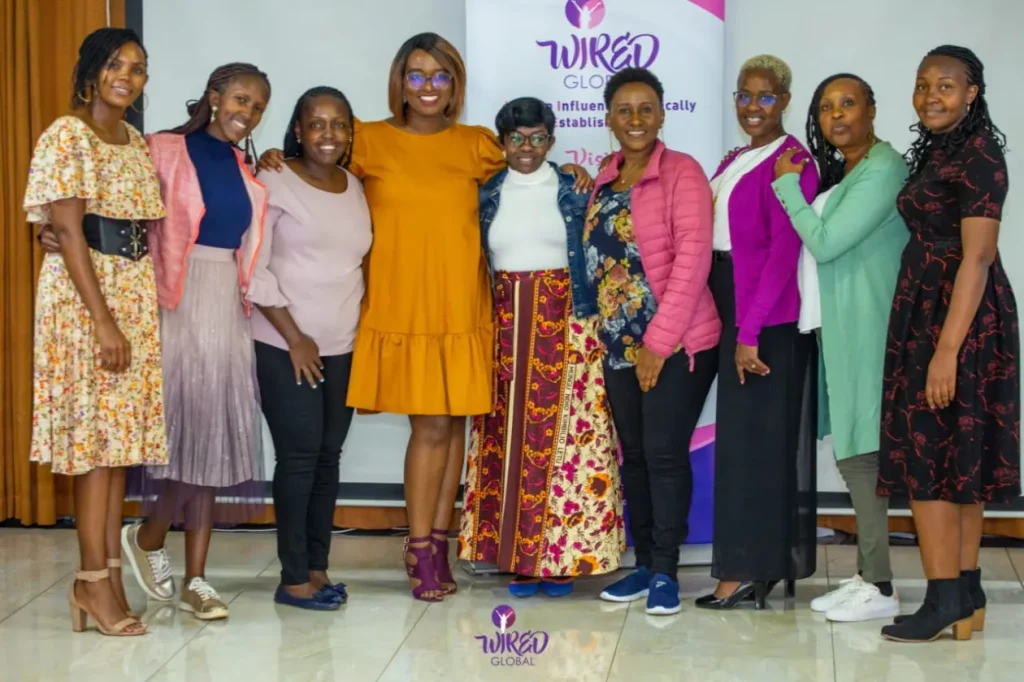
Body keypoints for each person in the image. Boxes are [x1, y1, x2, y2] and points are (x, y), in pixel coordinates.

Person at [258, 33, 591, 601]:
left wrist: (574, 177)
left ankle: (438, 541)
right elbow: (319, 165)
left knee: (454, 423)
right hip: (401, 306)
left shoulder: (478, 144)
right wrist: (274, 159)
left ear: (455, 84)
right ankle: (418, 548)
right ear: (400, 83)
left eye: (440, 76)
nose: (428, 86)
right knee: (431, 426)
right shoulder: (369, 141)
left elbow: (527, 169)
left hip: (462, 304)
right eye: (416, 75)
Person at [40, 63, 273, 620]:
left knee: (214, 437)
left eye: (259, 106)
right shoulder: (160, 148)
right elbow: (106, 199)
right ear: (214, 97)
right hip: (168, 300)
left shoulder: (248, 165)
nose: (247, 112)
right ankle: (148, 537)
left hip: (226, 305)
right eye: (240, 99)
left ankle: (196, 578)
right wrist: (48, 230)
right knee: (182, 434)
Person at [878, 46, 1020, 644]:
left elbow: (980, 256)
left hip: (959, 318)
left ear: (972, 94)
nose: (931, 96)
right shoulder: (943, 149)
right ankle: (963, 591)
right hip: (929, 308)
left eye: (945, 86)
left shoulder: (981, 155)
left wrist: (945, 349)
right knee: (955, 455)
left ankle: (941, 600)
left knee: (930, 457)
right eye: (921, 85)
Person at [25, 27, 164, 636]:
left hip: (130, 289)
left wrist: (128, 313)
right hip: (87, 300)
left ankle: (106, 578)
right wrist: (104, 321)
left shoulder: (133, 140)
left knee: (114, 450)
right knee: (92, 449)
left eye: (137, 68)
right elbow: (70, 231)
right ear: (91, 71)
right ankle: (89, 583)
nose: (126, 76)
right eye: (115, 65)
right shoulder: (66, 134)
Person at [458, 97, 624, 599]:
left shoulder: (575, 187)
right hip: (506, 327)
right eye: (516, 138)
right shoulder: (487, 191)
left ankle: (564, 560)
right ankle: (521, 559)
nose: (526, 148)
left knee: (571, 445)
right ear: (502, 142)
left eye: (537, 138)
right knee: (508, 444)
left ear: (551, 140)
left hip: (568, 325)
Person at [582, 69, 720, 616]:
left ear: (662, 115)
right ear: (609, 119)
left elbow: (693, 262)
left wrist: (658, 344)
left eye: (646, 109)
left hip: (678, 341)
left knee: (663, 454)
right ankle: (642, 565)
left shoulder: (683, 173)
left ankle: (665, 571)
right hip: (616, 342)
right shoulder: (604, 176)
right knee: (633, 455)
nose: (635, 119)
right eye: (624, 109)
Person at [771, 73, 908, 623]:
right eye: (827, 107)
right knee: (854, 453)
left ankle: (880, 586)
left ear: (873, 109)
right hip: (840, 329)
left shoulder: (884, 169)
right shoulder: (850, 170)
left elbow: (826, 243)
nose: (836, 116)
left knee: (863, 455)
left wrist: (785, 187)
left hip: (868, 327)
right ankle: (868, 576)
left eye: (848, 103)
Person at [695, 55, 819, 611]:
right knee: (745, 444)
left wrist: (749, 333)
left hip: (765, 320)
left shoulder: (794, 160)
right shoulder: (741, 156)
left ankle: (746, 570)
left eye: (765, 96)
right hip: (734, 311)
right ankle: (756, 567)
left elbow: (782, 253)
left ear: (786, 100)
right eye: (744, 95)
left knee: (754, 448)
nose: (752, 106)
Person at [248, 86, 371, 610]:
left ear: (350, 132)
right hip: (284, 344)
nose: (328, 134)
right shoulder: (272, 179)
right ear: (297, 129)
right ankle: (292, 577)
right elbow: (253, 265)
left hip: (342, 346)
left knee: (327, 458)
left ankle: (318, 568)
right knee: (298, 458)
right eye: (316, 124)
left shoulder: (356, 185)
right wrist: (295, 338)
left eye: (338, 124)